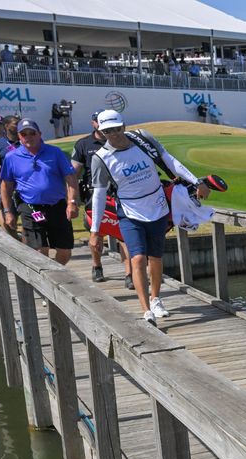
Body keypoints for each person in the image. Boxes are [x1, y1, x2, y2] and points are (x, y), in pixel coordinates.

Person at [88, 109, 204, 326]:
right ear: (101, 132)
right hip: (130, 213)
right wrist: (95, 231)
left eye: (116, 128)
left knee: (156, 257)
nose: (113, 134)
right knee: (138, 258)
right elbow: (99, 194)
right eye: (107, 131)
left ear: (123, 126)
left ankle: (156, 298)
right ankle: (146, 309)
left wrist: (196, 181)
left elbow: (169, 160)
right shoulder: (101, 158)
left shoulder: (142, 138)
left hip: (157, 208)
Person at [0, 118, 78, 264]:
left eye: (32, 133)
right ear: (19, 136)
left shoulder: (55, 153)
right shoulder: (11, 157)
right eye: (24, 134)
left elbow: (71, 178)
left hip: (57, 205)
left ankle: (56, 274)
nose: (28, 137)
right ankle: (46, 280)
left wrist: (72, 202)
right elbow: (6, 186)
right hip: (30, 207)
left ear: (39, 134)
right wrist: (8, 211)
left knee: (64, 251)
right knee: (39, 250)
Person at [71, 110, 124, 283]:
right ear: (94, 123)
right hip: (94, 195)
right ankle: (97, 265)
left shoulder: (121, 140)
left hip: (120, 194)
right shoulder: (84, 144)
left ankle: (130, 273)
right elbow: (74, 173)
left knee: (124, 234)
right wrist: (73, 199)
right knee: (98, 233)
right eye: (97, 121)